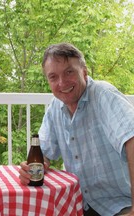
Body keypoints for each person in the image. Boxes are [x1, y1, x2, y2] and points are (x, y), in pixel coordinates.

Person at [19, 42, 134, 216]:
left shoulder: (103, 95)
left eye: (69, 72)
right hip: (78, 204)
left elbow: (132, 138)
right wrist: (32, 168)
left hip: (120, 204)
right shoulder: (55, 108)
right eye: (53, 77)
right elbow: (43, 153)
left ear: (84, 72)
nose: (62, 82)